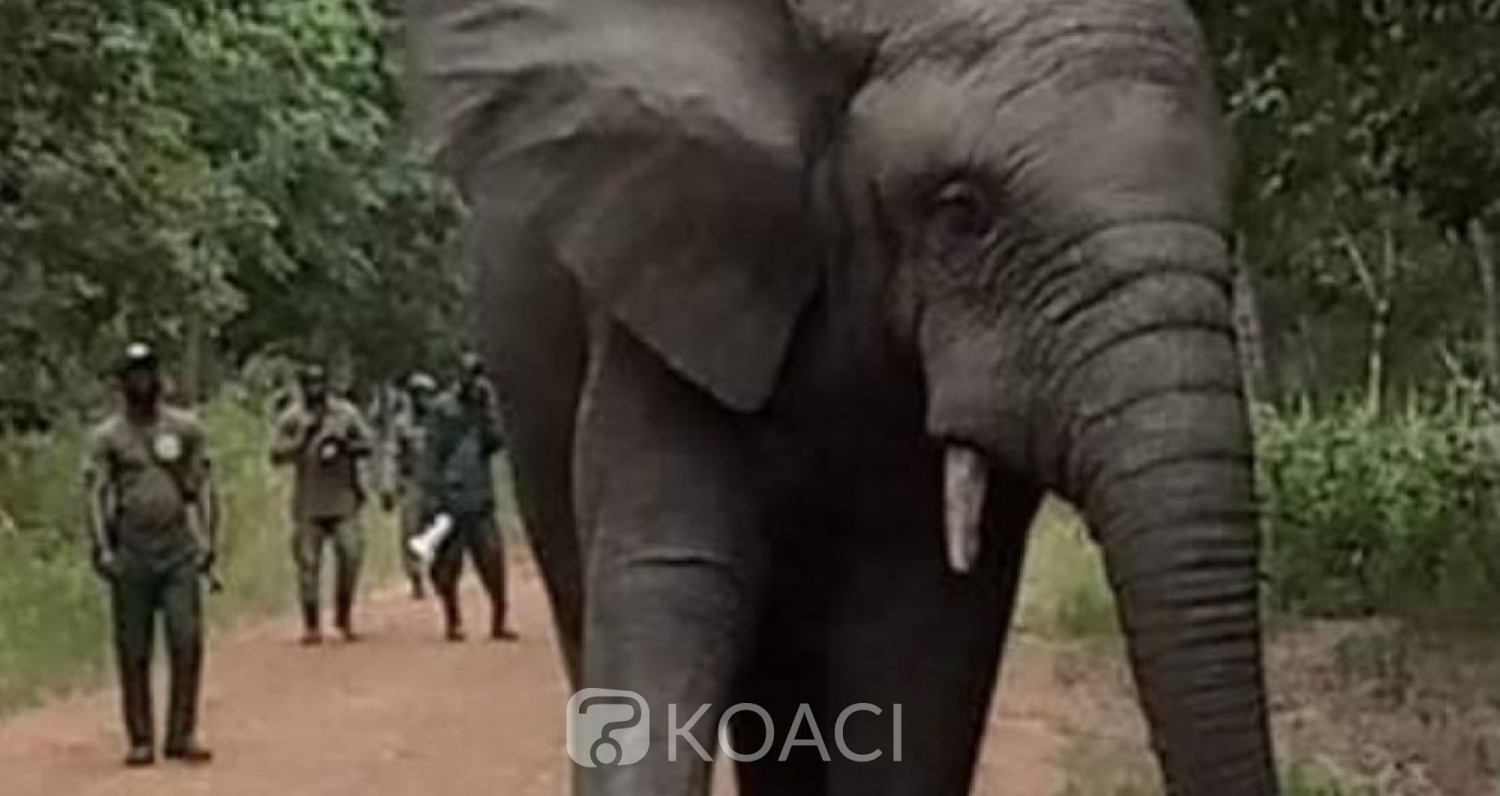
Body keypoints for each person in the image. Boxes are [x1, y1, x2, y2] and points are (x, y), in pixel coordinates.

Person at [85, 342, 217, 767]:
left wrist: (210, 540)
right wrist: (101, 547)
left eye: (149, 373)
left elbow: (205, 488)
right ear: (123, 385)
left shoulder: (185, 428)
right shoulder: (108, 437)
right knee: (133, 647)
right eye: (134, 375)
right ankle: (140, 737)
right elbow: (96, 493)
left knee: (186, 640)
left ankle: (182, 733)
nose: (143, 383)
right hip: (132, 551)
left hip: (178, 550)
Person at [270, 364, 374, 644]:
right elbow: (275, 454)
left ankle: (343, 615)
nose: (315, 389)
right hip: (308, 502)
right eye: (309, 384)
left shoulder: (345, 413)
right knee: (307, 565)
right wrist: (302, 439)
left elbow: (368, 444)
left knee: (350, 554)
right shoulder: (292, 417)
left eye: (319, 383)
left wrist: (346, 445)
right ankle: (311, 624)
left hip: (343, 498)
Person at [419, 353, 517, 641]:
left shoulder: (483, 408)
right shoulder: (443, 409)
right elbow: (431, 453)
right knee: (447, 566)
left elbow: (496, 442)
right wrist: (432, 495)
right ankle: (453, 620)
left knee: (493, 561)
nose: (472, 381)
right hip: (450, 497)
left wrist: (486, 411)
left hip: (480, 497)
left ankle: (499, 620)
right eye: (468, 375)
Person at [380, 372, 439, 599]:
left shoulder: (441, 419)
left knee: (439, 531)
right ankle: (416, 578)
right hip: (412, 482)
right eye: (419, 394)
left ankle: (439, 574)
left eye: (427, 394)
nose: (423, 399)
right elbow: (391, 454)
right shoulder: (401, 423)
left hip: (437, 484)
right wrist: (388, 486)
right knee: (410, 532)